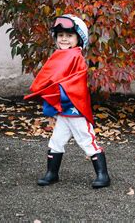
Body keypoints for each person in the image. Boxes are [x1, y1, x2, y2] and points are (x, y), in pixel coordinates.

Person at [24, 14, 110, 188]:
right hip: (63, 110)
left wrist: (58, 94)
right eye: (60, 35)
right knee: (56, 141)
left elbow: (73, 82)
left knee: (87, 140)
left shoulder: (75, 56)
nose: (64, 39)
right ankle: (52, 173)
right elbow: (49, 79)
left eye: (69, 35)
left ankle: (103, 175)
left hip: (74, 108)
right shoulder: (59, 55)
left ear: (79, 39)